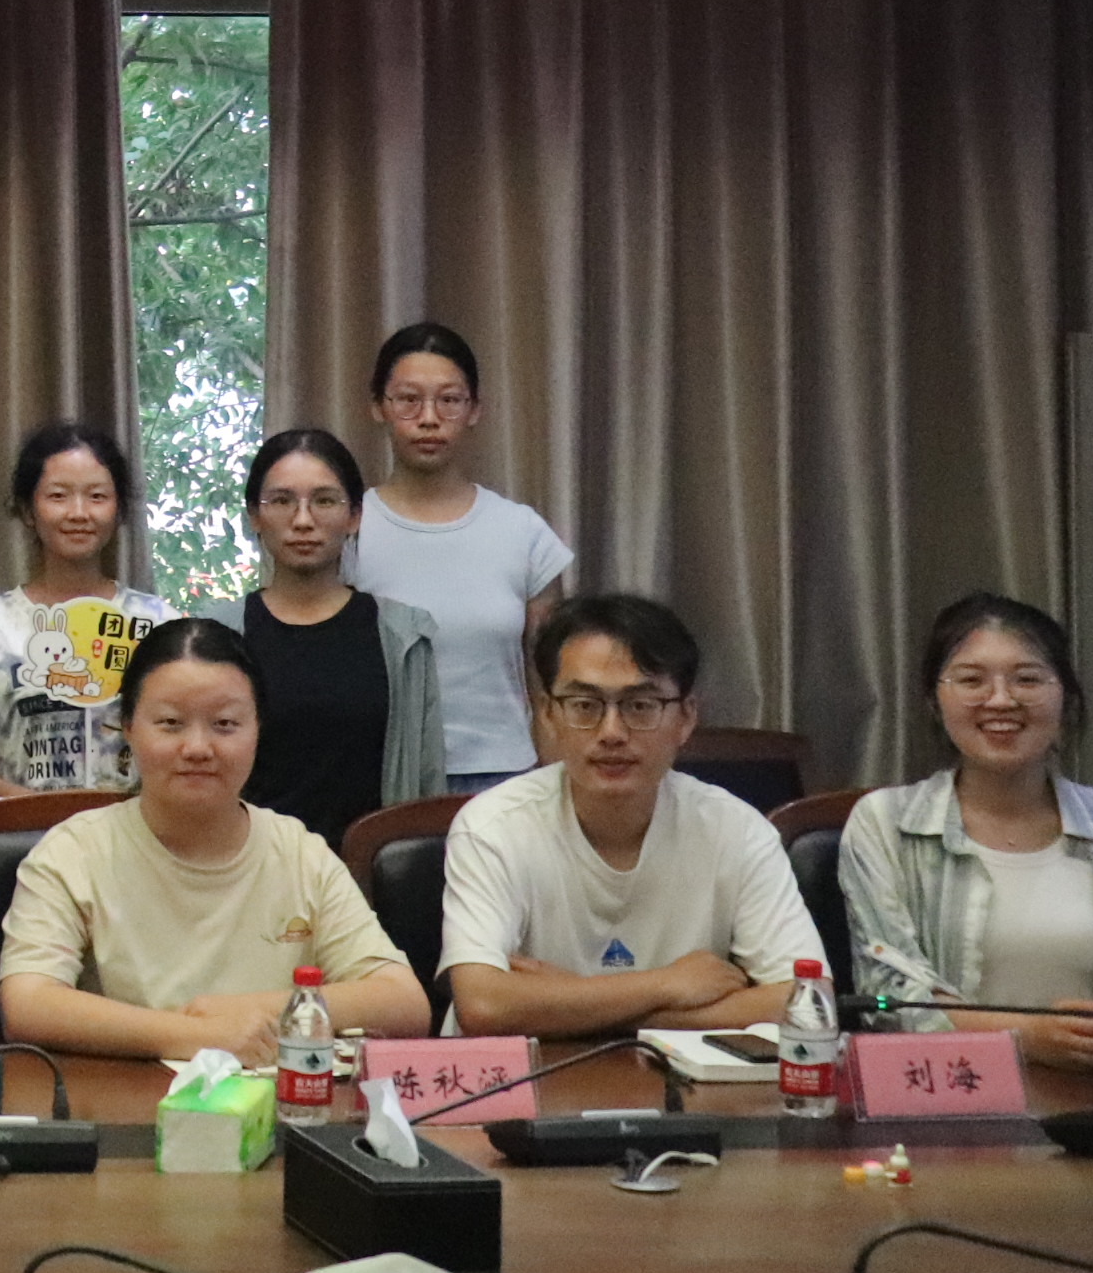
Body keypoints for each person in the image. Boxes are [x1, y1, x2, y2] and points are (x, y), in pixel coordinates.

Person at [0, 618, 431, 1063]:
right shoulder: (74, 851)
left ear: (258, 729)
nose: (198, 748)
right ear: (128, 727)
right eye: (170, 723)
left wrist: (254, 1011)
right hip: (124, 1099)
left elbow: (402, 1002)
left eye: (225, 724)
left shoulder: (299, 853)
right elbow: (28, 1003)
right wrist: (198, 1035)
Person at [442, 593, 820, 1039]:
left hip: (678, 1082)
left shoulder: (736, 830)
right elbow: (483, 1005)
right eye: (585, 705)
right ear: (547, 715)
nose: (612, 733)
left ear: (686, 718)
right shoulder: (492, 827)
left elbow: (807, 1001)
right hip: (528, 1079)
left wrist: (576, 1004)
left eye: (640, 706)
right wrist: (666, 985)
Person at [841, 594, 1093, 1072]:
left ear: (1066, 696)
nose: (1001, 700)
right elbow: (887, 995)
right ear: (934, 700)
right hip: (951, 1095)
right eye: (971, 680)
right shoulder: (884, 823)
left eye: (1027, 679)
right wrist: (1024, 1037)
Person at [346, 321, 573, 795]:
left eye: (449, 400)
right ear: (378, 407)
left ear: (474, 410)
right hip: (383, 774)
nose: (429, 418)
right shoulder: (348, 532)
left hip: (505, 777)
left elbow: (552, 682)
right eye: (408, 400)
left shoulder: (523, 532)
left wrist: (555, 787)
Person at [198, 429, 443, 852]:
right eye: (282, 501)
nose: (303, 520)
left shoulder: (403, 636)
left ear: (355, 516)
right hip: (248, 872)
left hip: (369, 877)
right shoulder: (217, 637)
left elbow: (426, 782)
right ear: (254, 516)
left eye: (325, 501)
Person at [0, 421, 168, 807]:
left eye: (97, 496)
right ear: (28, 510)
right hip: (23, 835)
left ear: (119, 510)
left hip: (135, 832)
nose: (79, 513)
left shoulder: (159, 624)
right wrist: (35, 808)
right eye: (58, 496)